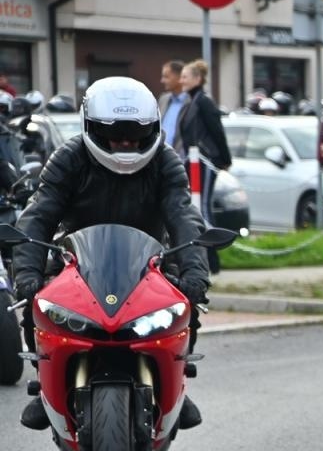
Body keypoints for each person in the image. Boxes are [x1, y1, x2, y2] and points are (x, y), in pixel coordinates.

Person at [12, 77, 209, 431]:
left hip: (150, 258)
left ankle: (177, 382)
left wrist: (197, 273)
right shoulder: (69, 158)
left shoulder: (165, 162)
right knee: (38, 299)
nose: (125, 143)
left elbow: (183, 216)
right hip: (78, 258)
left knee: (184, 295)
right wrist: (26, 273)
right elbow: (38, 216)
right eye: (115, 134)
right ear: (91, 127)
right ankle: (44, 384)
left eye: (135, 135)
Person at [175, 60, 232, 274]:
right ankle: (202, 255)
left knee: (204, 206)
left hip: (206, 161)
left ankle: (212, 258)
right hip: (193, 162)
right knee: (196, 206)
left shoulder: (204, 102)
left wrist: (224, 158)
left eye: (185, 77)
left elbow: (216, 130)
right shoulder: (191, 102)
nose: (182, 81)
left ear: (198, 79)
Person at [157, 60, 186, 148]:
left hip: (183, 159)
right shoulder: (163, 99)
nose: (162, 80)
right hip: (162, 157)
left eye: (166, 77)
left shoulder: (192, 102)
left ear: (179, 77)